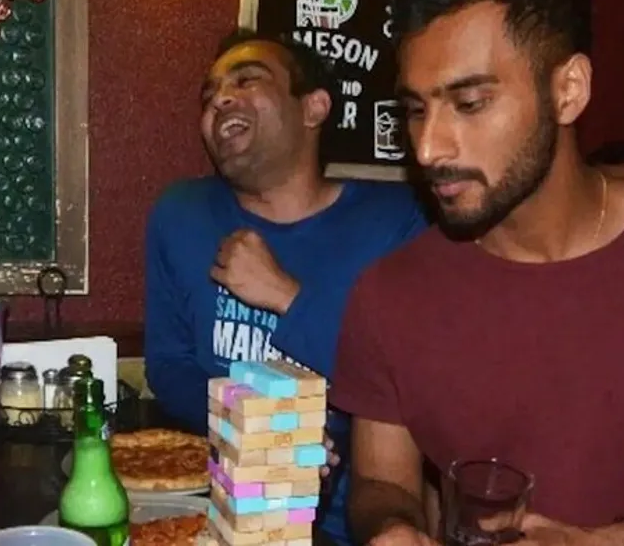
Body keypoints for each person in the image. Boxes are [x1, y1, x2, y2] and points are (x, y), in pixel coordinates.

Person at [329, 0, 624, 546]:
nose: (426, 147)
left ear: (568, 90)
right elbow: (381, 483)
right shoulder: (387, 296)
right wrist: (392, 527)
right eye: (416, 109)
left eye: (469, 103)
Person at [144, 28, 428, 546]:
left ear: (314, 108)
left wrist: (288, 297)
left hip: (349, 528)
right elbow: (169, 364)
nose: (220, 99)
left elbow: (417, 385)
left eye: (247, 80)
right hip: (204, 515)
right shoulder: (179, 213)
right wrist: (256, 429)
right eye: (209, 94)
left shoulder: (399, 222)